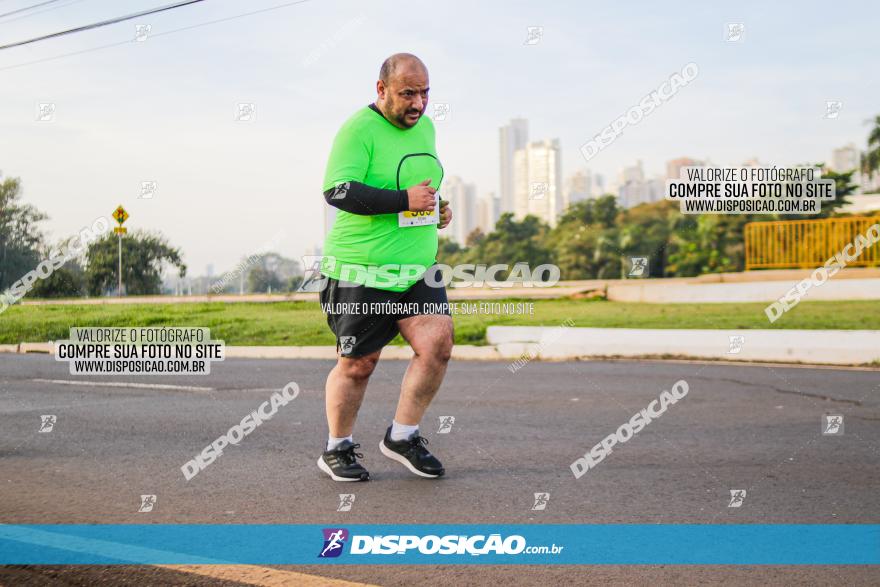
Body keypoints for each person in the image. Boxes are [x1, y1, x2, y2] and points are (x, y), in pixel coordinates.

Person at [316, 53, 454, 482]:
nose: (418, 104)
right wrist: (402, 201)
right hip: (362, 269)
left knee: (438, 344)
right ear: (381, 90)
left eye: (425, 92)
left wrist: (437, 209)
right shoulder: (358, 129)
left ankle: (402, 435)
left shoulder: (426, 127)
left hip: (416, 269)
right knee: (359, 363)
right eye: (408, 93)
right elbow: (338, 191)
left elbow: (418, 185)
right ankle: (337, 448)